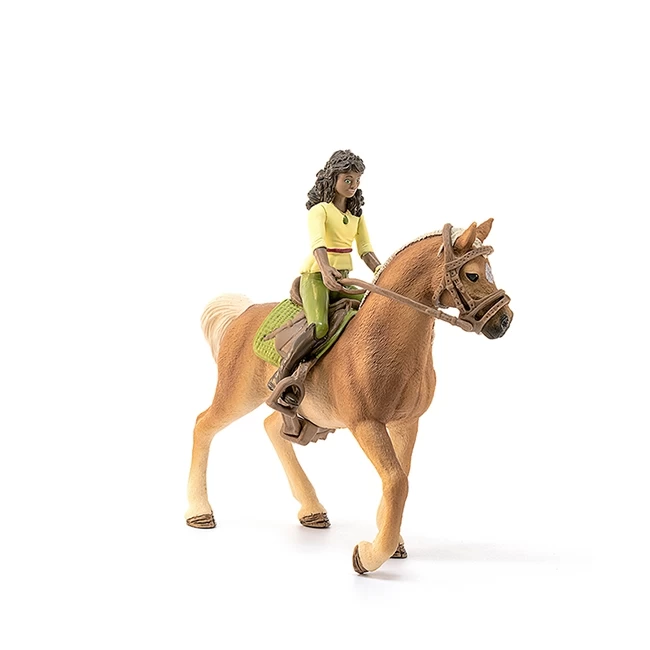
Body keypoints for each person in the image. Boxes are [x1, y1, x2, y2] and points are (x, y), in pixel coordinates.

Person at [268, 149, 382, 400]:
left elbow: (365, 250)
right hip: (317, 277)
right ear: (334, 178)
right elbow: (318, 243)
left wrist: (383, 272)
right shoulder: (320, 210)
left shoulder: (356, 216)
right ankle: (283, 374)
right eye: (348, 179)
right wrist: (325, 268)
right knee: (319, 326)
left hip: (343, 279)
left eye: (357, 180)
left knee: (374, 308)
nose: (353, 185)